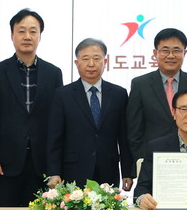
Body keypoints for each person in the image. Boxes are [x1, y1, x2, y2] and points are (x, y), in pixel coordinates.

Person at [0, 9, 63, 206]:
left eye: (33, 31)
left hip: (41, 164)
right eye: (21, 31)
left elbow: (57, 123)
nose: (27, 36)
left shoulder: (53, 73)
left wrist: (55, 166)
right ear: (12, 35)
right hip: (5, 164)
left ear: (40, 36)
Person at [47, 39, 133, 190]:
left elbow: (124, 137)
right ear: (77, 63)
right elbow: (55, 138)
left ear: (105, 62)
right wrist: (54, 172)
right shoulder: (63, 95)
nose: (91, 64)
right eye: (85, 59)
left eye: (96, 58)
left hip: (108, 169)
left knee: (108, 206)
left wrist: (127, 171)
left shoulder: (119, 94)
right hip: (73, 170)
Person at [127, 28, 187, 167]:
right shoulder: (140, 84)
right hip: (153, 159)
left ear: (184, 53)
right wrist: (144, 160)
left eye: (176, 50)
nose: (171, 55)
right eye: (165, 50)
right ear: (155, 53)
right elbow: (134, 130)